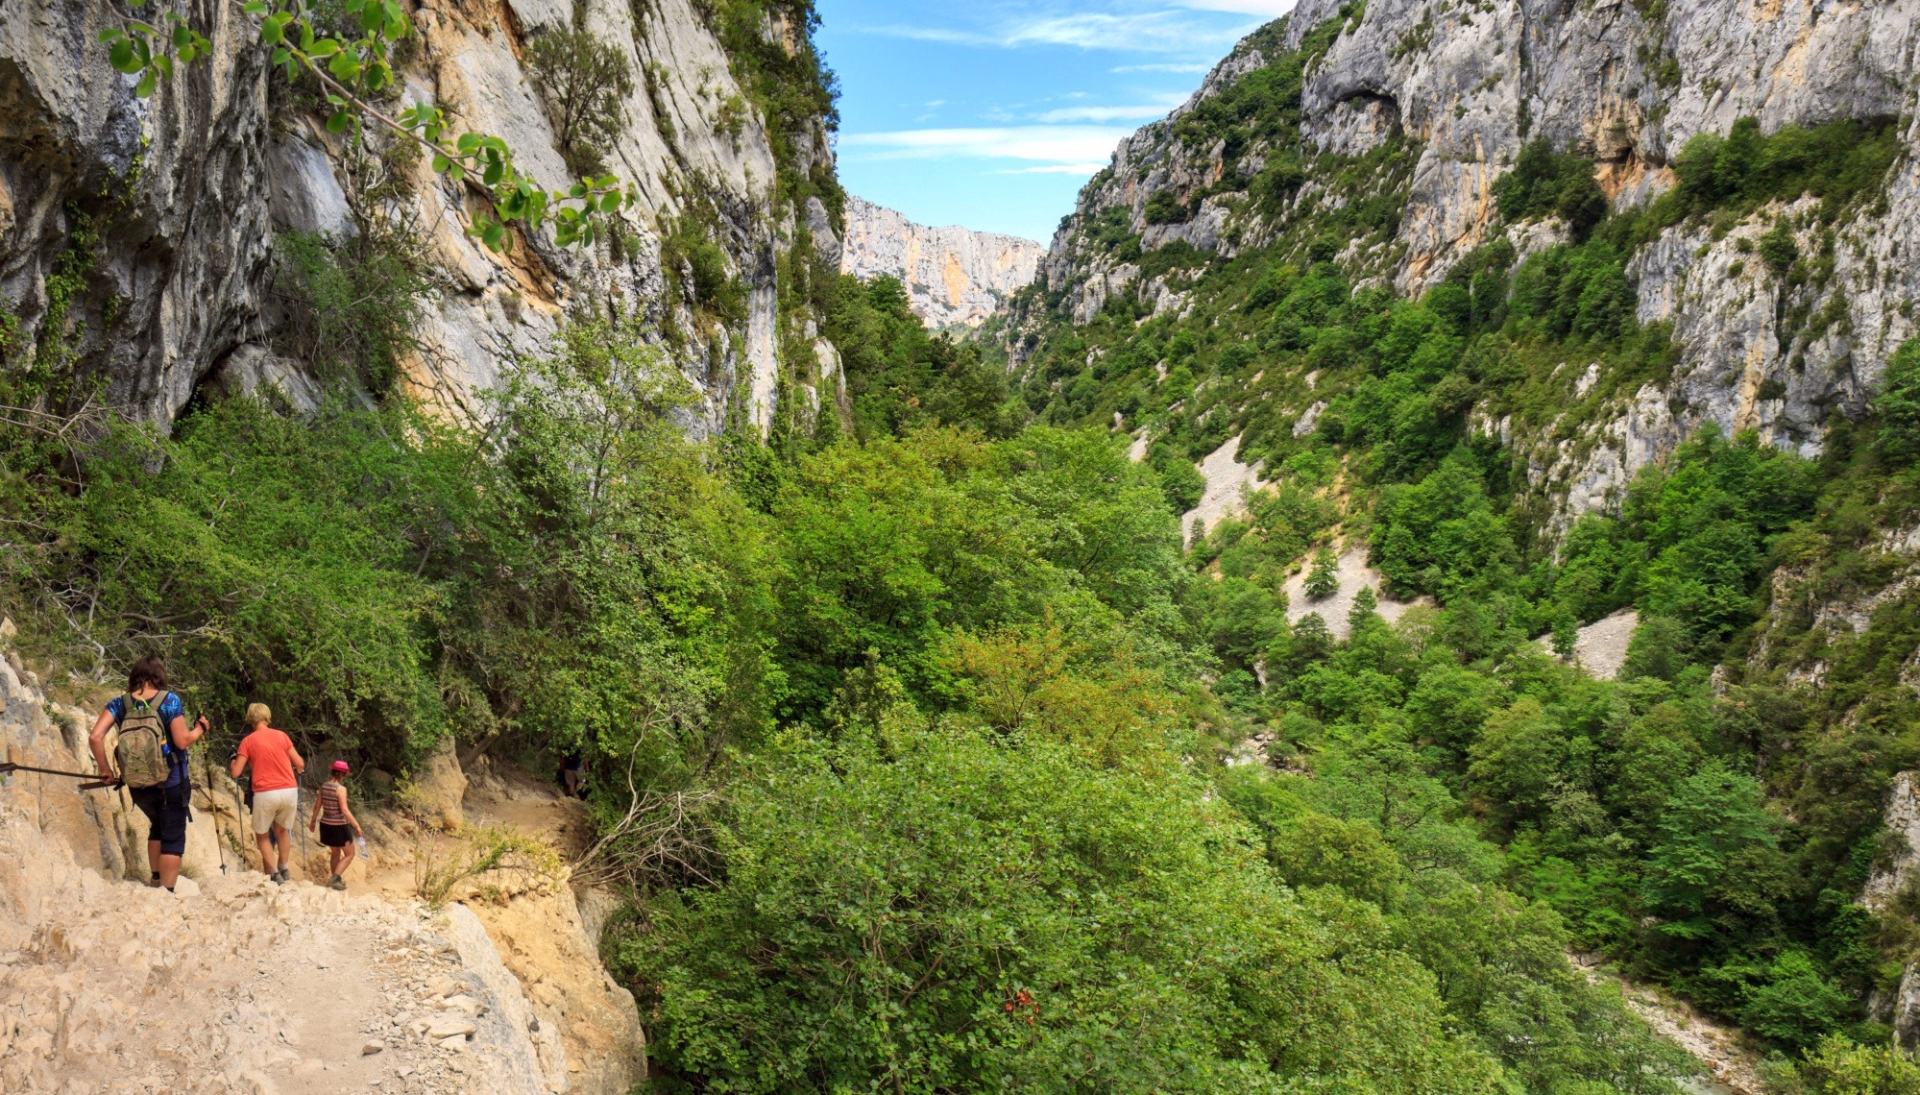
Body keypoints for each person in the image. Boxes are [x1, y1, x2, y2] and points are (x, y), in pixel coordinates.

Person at [88, 654, 208, 892]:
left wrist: (105, 770)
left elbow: (95, 736)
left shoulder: (120, 703)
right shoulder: (169, 700)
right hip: (171, 782)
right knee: (173, 836)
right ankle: (167, 892)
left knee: (158, 826)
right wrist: (200, 729)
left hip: (138, 784)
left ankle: (155, 880)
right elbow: (182, 741)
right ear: (159, 676)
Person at [230, 703, 304, 883]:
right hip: (289, 789)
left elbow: (236, 772)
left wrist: (233, 759)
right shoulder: (282, 736)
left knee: (262, 834)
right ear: (267, 716)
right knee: (282, 830)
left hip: (266, 792)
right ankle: (284, 867)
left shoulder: (248, 741)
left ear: (250, 718)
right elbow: (300, 764)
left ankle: (274, 873)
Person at [309, 760, 362, 891]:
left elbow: (317, 805)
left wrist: (313, 821)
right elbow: (344, 810)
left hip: (325, 824)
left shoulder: (324, 786)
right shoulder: (341, 789)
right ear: (342, 774)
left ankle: (336, 880)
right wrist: (356, 825)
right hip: (338, 825)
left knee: (335, 852)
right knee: (350, 854)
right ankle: (335, 878)